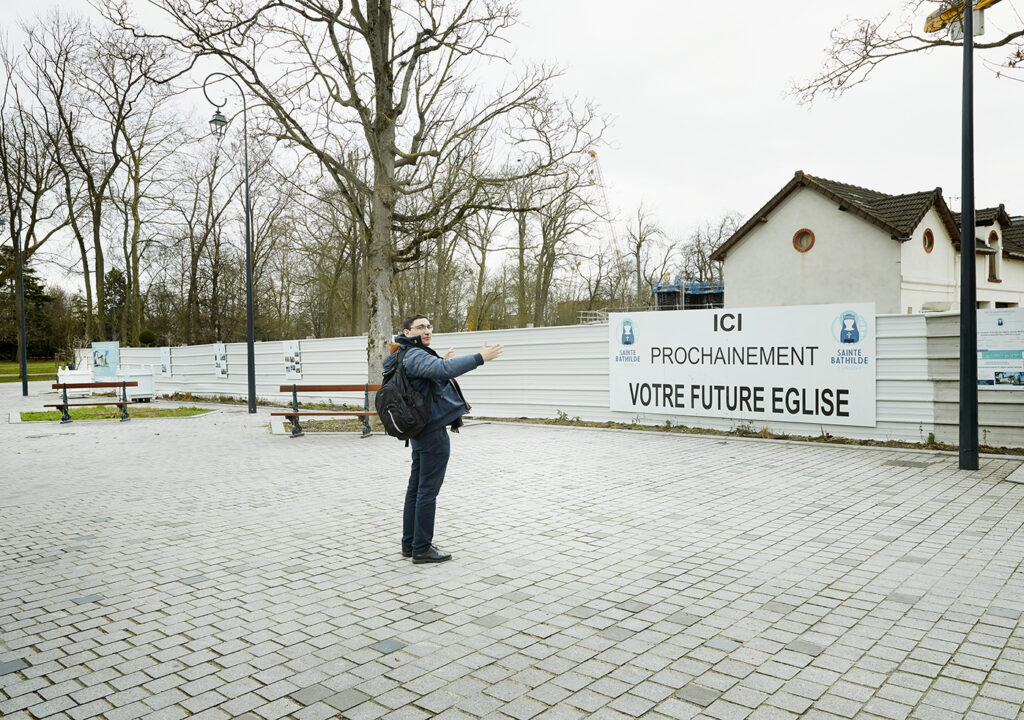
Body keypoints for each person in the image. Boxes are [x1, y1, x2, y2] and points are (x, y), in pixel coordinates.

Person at [383, 314, 503, 564]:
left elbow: (429, 376)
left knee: (416, 488)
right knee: (427, 491)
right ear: (406, 332)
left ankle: (410, 543)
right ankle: (422, 548)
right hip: (431, 432)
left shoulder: (402, 354)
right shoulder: (415, 355)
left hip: (419, 430)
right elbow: (443, 371)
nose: (426, 331)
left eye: (428, 327)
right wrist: (480, 358)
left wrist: (440, 361)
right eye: (420, 327)